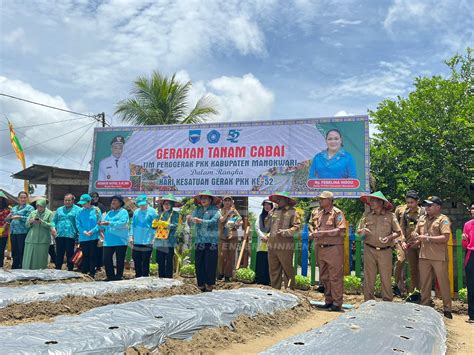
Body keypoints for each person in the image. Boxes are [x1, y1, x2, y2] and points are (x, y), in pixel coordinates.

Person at [358, 191, 403, 302]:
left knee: (386, 277)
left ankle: (387, 301)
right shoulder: (366, 215)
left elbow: (398, 232)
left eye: (373, 200)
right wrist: (363, 231)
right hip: (369, 249)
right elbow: (359, 231)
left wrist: (389, 237)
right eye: (370, 200)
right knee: (369, 277)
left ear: (381, 202)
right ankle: (368, 302)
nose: (371, 203)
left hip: (385, 251)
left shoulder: (390, 216)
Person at [413, 196, 452, 319]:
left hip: (438, 257)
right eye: (426, 205)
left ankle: (447, 309)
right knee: (424, 283)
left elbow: (445, 237)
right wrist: (415, 235)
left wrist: (428, 238)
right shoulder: (422, 218)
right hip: (424, 256)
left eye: (430, 205)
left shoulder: (443, 219)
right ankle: (425, 306)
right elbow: (416, 233)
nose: (427, 207)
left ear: (438, 207)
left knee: (443, 283)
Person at [309, 191, 347, 312]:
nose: (320, 201)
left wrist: (322, 233)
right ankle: (328, 300)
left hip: (334, 248)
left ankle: (337, 303)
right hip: (321, 248)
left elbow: (341, 229)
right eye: (319, 199)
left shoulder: (337, 213)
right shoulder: (319, 214)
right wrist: (314, 233)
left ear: (330, 200)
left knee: (335, 276)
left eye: (322, 199)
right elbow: (315, 227)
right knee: (324, 276)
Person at [187, 191, 221, 292]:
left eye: (206, 198)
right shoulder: (197, 210)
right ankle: (201, 284)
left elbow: (212, 222)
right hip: (199, 240)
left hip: (211, 241)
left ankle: (209, 284)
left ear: (210, 200)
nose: (203, 200)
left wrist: (200, 221)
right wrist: (189, 220)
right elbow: (192, 223)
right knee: (199, 263)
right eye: (202, 198)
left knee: (210, 263)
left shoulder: (216, 210)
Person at [393, 190, 424, 299]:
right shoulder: (405, 213)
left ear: (417, 202)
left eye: (412, 202)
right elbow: (400, 228)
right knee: (413, 269)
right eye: (408, 202)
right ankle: (413, 293)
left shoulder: (423, 213)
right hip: (409, 245)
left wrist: (419, 241)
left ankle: (422, 293)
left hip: (421, 244)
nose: (409, 205)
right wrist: (403, 241)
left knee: (423, 269)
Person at [267, 191, 301, 290]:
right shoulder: (274, 211)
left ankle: (290, 290)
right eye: (277, 199)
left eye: (280, 199)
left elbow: (297, 227)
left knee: (287, 269)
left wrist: (286, 232)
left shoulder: (293, 212)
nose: (278, 201)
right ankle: (275, 290)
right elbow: (269, 226)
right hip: (272, 245)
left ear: (286, 200)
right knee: (273, 269)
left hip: (285, 245)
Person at [100, 195, 130, 281]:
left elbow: (122, 223)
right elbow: (104, 224)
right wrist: (101, 224)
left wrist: (109, 223)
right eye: (112, 200)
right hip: (109, 240)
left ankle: (119, 276)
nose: (113, 202)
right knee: (106, 258)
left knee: (119, 259)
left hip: (120, 240)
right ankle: (110, 276)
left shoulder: (123, 212)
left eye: (115, 200)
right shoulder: (109, 213)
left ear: (120, 203)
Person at [153, 194, 181, 278]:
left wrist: (167, 225)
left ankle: (169, 278)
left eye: (169, 204)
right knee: (160, 260)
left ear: (172, 205)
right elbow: (155, 226)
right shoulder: (159, 214)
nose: (167, 206)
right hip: (159, 241)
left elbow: (177, 226)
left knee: (169, 260)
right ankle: (161, 277)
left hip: (170, 241)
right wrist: (154, 225)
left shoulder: (176, 214)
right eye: (165, 204)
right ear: (163, 205)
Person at [22, 198, 55, 269]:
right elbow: (26, 225)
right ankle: (27, 270)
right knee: (29, 255)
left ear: (45, 206)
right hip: (31, 238)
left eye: (41, 206)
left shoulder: (50, 213)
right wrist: (30, 222)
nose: (39, 208)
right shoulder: (33, 213)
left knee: (41, 257)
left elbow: (52, 225)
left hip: (43, 239)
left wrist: (42, 222)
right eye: (38, 206)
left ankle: (40, 271)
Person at [52, 193, 81, 271]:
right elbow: (53, 221)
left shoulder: (78, 210)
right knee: (59, 253)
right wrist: (53, 228)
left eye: (69, 200)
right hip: (60, 234)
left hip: (71, 235)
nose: (67, 202)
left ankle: (70, 269)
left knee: (70, 253)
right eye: (65, 200)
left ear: (73, 201)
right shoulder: (59, 209)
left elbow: (80, 222)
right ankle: (58, 268)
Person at [130, 194, 157, 278]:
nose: (142, 206)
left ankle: (145, 277)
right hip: (137, 240)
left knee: (145, 260)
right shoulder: (136, 212)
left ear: (147, 202)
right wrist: (131, 236)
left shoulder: (152, 212)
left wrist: (154, 237)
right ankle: (138, 276)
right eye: (140, 204)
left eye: (143, 204)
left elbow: (156, 226)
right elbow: (132, 224)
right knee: (136, 259)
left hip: (148, 240)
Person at [75, 194, 101, 277]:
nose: (82, 205)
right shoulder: (79, 211)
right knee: (84, 255)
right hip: (83, 237)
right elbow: (78, 224)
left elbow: (100, 223)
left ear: (89, 202)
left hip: (94, 237)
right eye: (81, 203)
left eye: (84, 203)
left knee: (93, 255)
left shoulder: (96, 210)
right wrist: (84, 232)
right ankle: (84, 271)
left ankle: (92, 272)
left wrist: (92, 231)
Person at [218, 196, 242, 282]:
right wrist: (229, 212)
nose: (227, 202)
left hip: (233, 236)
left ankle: (228, 275)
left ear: (231, 202)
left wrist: (237, 223)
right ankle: (220, 272)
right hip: (222, 236)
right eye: (226, 200)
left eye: (229, 200)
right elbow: (221, 220)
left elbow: (240, 220)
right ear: (223, 202)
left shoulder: (235, 211)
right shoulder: (220, 211)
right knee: (221, 255)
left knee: (230, 256)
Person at [7, 191, 34, 269]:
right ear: (18, 198)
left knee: (21, 250)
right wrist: (8, 218)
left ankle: (22, 266)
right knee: (14, 250)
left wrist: (20, 217)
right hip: (13, 232)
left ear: (27, 198)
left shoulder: (30, 208)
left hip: (23, 232)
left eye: (24, 198)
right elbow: (9, 220)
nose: (23, 199)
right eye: (21, 198)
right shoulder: (14, 208)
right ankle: (15, 266)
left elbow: (30, 219)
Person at [255, 199, 274, 285]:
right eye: (265, 205)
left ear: (271, 206)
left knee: (269, 260)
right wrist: (262, 236)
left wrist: (268, 236)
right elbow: (256, 227)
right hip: (262, 240)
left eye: (268, 205)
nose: (266, 206)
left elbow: (275, 227)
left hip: (270, 240)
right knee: (261, 259)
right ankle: (259, 279)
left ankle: (268, 280)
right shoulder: (260, 216)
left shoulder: (274, 216)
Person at [462, 202, 474, 323]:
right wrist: (464, 240)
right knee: (471, 285)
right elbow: (465, 245)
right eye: (472, 209)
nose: (473, 211)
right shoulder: (468, 225)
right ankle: (472, 315)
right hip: (471, 254)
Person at [90, 192, 106, 271]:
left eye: (96, 196)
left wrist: (101, 227)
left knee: (99, 247)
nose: (95, 198)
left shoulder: (101, 206)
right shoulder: (88, 206)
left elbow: (104, 218)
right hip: (90, 231)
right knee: (91, 248)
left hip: (100, 230)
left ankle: (99, 265)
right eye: (93, 196)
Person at [0, 192, 11, 268]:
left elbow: (8, 221)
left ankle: (0, 266)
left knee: (1, 250)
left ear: (3, 199)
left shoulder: (8, 210)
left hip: (3, 232)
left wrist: (4, 228)